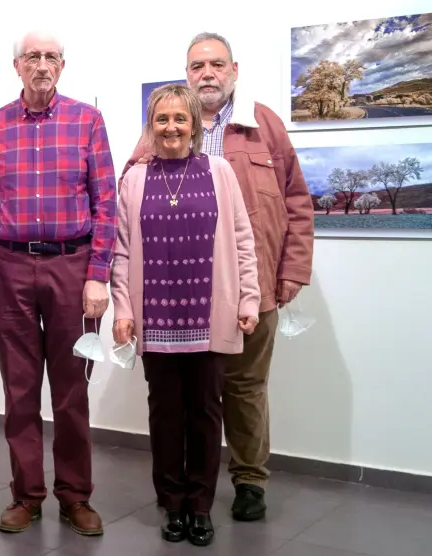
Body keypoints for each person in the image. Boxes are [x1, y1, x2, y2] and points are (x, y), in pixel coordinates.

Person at [121, 33, 314, 522]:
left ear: (233, 69)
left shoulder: (262, 124)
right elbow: (129, 209)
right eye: (197, 65)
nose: (207, 73)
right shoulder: (155, 134)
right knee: (186, 399)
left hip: (252, 285)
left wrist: (291, 269)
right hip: (173, 293)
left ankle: (249, 481)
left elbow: (296, 200)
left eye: (216, 64)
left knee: (245, 389)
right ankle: (181, 496)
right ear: (187, 75)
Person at [0, 30, 118, 536]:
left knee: (71, 389)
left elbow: (106, 205)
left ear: (62, 65)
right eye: (32, 57)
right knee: (19, 388)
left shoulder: (87, 121)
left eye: (51, 57)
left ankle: (75, 495)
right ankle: (26, 495)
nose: (42, 65)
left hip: (71, 266)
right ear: (16, 66)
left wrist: (99, 277)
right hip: (9, 268)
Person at [111, 83, 260, 547]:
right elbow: (121, 252)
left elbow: (242, 240)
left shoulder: (218, 171)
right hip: (156, 319)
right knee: (165, 413)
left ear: (195, 125)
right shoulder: (134, 178)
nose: (171, 127)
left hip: (210, 313)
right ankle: (171, 503)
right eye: (162, 119)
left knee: (205, 413)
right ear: (151, 127)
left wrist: (249, 299)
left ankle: (200, 505)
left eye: (180, 118)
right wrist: (123, 308)